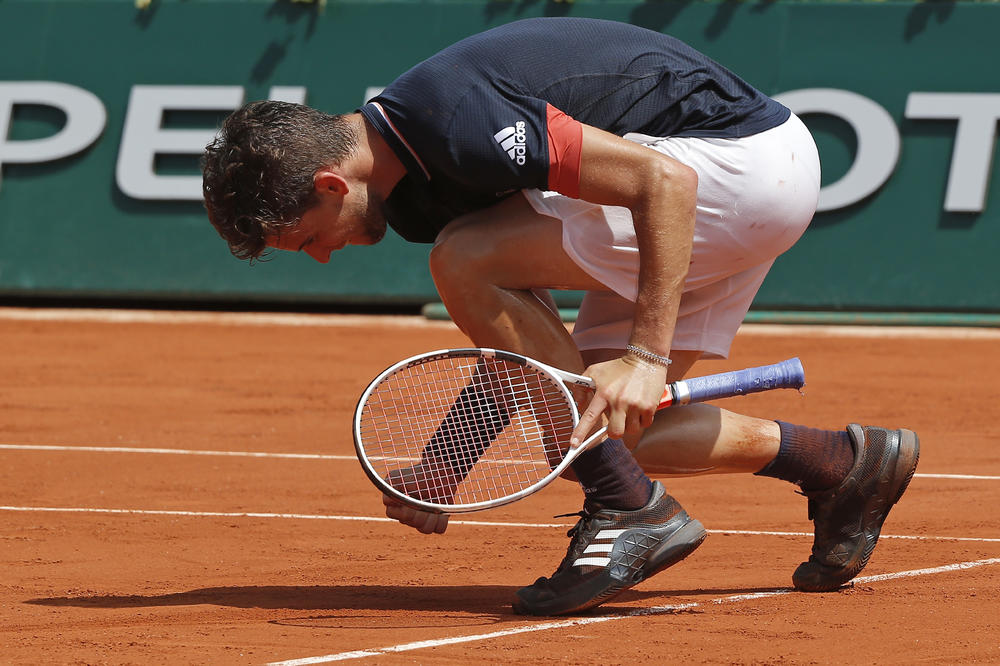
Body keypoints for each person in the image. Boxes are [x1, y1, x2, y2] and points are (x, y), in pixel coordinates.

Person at [201, 16, 919, 616]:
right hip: (740, 182)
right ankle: (842, 464)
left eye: (308, 239)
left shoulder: (454, 122)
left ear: (332, 185)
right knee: (596, 428)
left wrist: (647, 358)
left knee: (466, 264)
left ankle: (630, 511)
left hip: (734, 167)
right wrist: (447, 463)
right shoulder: (415, 184)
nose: (322, 257)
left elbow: (662, 181)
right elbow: (524, 342)